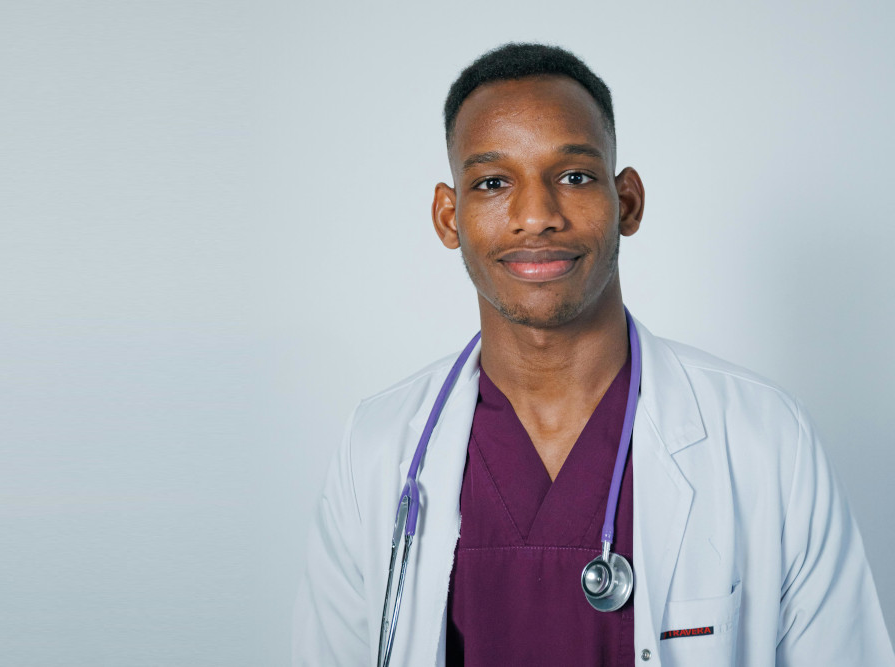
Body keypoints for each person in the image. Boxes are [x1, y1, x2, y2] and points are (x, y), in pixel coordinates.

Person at [292, 43, 895, 666]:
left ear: (626, 201)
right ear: (450, 217)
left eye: (574, 177)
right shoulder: (378, 445)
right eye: (494, 182)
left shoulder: (766, 439)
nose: (536, 216)